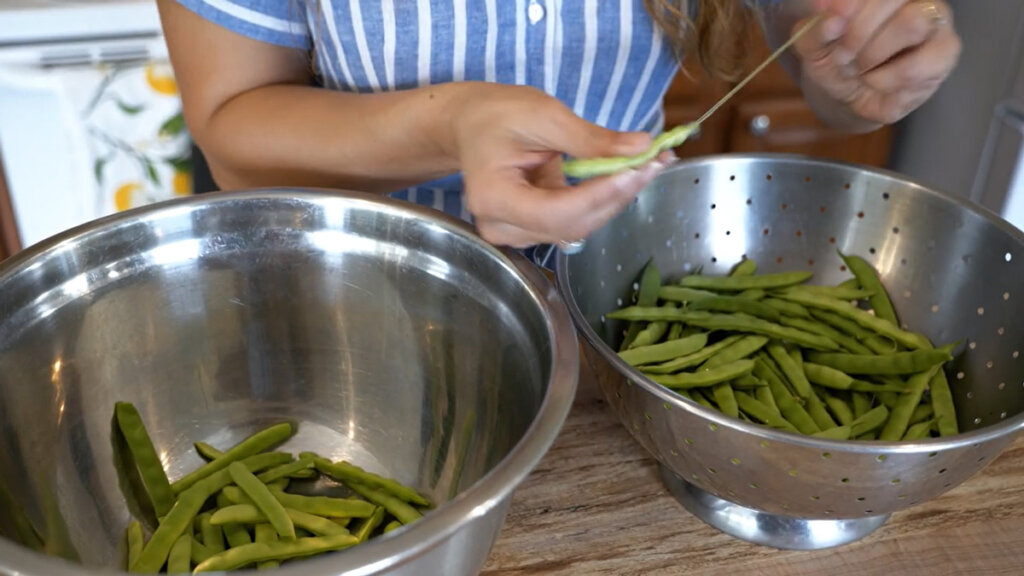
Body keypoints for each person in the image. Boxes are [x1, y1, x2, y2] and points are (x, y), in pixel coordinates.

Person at [155, 0, 961, 254]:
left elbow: (811, 36)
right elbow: (235, 135)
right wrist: (452, 127)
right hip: (346, 295)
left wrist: (859, 58)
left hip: (608, 308)